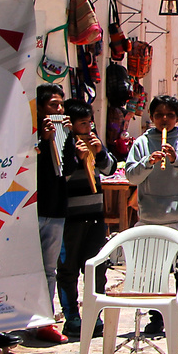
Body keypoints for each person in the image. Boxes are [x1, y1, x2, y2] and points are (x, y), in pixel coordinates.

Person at [124, 95, 178, 336]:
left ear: (177, 118)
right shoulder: (141, 143)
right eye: (159, 115)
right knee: (154, 273)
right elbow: (131, 176)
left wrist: (177, 159)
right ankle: (156, 318)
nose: (164, 119)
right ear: (151, 117)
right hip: (151, 218)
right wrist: (148, 163)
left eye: (170, 115)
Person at [56, 101, 115, 339]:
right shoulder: (61, 145)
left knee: (97, 267)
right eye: (83, 123)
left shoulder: (94, 142)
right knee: (68, 269)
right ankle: (71, 316)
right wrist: (74, 157)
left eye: (90, 122)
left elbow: (109, 169)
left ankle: (95, 314)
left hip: (94, 217)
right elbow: (59, 177)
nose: (88, 126)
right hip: (71, 219)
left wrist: (98, 152)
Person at [32, 84, 69, 343]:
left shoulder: (67, 134)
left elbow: (70, 170)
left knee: (48, 268)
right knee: (24, 267)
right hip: (32, 209)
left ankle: (45, 319)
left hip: (56, 208)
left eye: (60, 106)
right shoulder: (27, 134)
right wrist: (42, 142)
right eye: (52, 105)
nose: (58, 110)